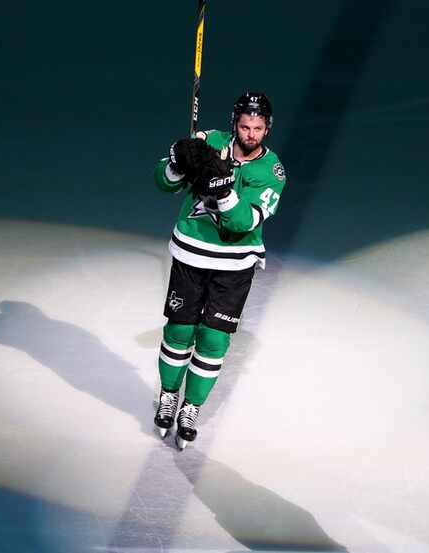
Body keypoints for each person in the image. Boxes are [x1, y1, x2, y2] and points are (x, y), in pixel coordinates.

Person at [152, 91, 287, 450]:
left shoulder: (273, 173)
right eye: (245, 126)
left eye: (258, 128)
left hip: (233, 266)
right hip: (191, 254)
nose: (251, 134)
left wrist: (223, 189)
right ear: (235, 124)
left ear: (267, 128)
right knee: (179, 328)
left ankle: (191, 407)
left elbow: (243, 222)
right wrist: (178, 164)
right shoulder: (209, 142)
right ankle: (168, 396)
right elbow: (162, 182)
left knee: (214, 339)